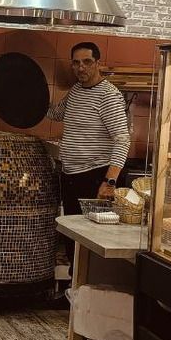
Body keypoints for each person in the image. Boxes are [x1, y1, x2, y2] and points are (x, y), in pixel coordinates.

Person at [47, 41, 131, 216]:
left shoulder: (108, 96)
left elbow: (122, 141)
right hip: (71, 177)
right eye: (76, 63)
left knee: (90, 231)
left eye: (87, 62)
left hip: (96, 178)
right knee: (71, 230)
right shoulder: (76, 90)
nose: (81, 68)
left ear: (97, 63)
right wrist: (31, 99)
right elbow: (56, 113)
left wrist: (109, 182)